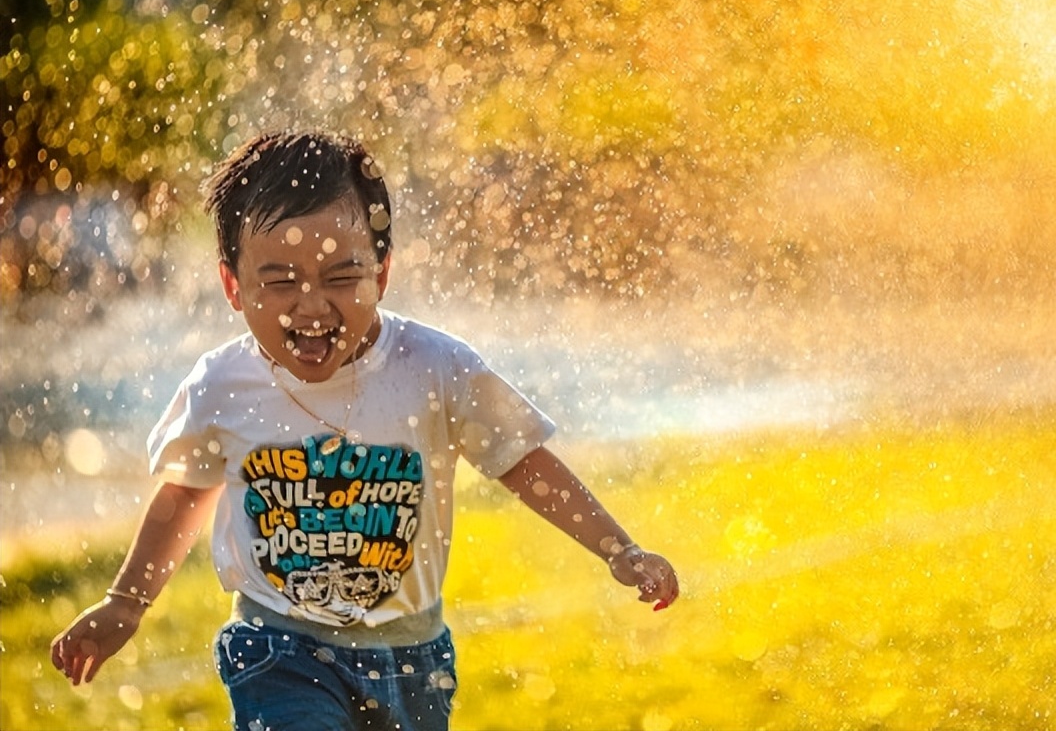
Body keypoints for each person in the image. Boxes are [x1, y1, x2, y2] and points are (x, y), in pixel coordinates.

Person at [50, 131, 679, 731]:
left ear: (381, 272)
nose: (311, 305)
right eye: (280, 282)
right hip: (278, 646)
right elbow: (185, 493)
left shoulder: (434, 368)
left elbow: (522, 460)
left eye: (340, 278)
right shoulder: (224, 385)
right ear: (233, 286)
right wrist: (126, 602)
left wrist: (619, 549)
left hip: (412, 659)